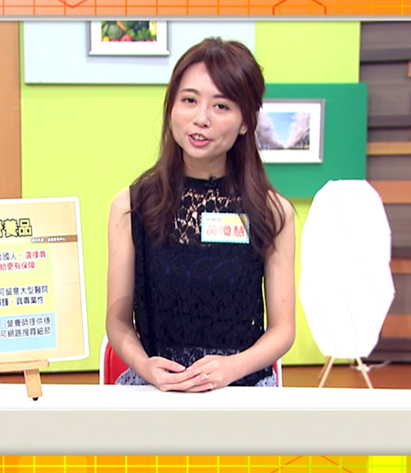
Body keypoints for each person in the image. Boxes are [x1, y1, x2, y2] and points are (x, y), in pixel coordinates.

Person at [105, 37, 296, 392]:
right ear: (171, 107)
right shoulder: (130, 206)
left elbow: (283, 329)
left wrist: (233, 367)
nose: (201, 119)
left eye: (221, 106)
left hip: (240, 388)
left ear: (246, 121)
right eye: (189, 100)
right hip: (156, 387)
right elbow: (117, 321)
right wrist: (145, 366)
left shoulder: (272, 212)